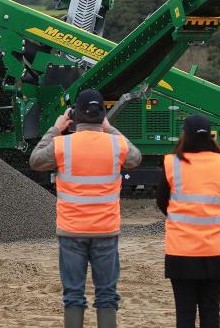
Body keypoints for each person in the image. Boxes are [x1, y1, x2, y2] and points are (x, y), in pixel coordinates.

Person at [29, 88, 142, 328]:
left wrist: (56, 128)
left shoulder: (62, 145)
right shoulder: (115, 145)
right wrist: (109, 127)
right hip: (106, 231)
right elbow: (136, 157)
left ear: (74, 116)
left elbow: (35, 160)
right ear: (102, 115)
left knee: (73, 295)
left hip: (71, 231)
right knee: (107, 296)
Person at [157, 114, 220, 328]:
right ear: (210, 136)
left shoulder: (171, 163)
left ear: (185, 134)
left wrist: (181, 217)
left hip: (181, 250)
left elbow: (161, 202)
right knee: (211, 312)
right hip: (215, 251)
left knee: (184, 314)